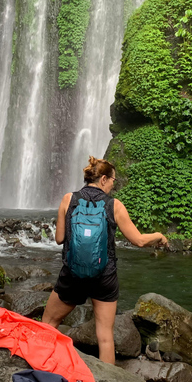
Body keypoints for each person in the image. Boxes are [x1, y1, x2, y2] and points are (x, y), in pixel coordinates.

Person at [41, 156, 168, 364]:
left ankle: (40, 369)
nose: (113, 185)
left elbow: (59, 239)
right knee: (105, 337)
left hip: (72, 274)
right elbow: (138, 240)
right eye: (112, 181)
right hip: (104, 276)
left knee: (48, 322)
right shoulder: (114, 205)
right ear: (103, 179)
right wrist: (159, 236)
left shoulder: (68, 199)